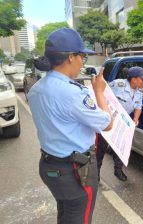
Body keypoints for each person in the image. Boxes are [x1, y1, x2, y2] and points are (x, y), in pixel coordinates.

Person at [28, 28, 113, 224]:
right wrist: (99, 92)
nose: (83, 61)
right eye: (82, 56)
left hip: (50, 166)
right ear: (70, 57)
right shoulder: (72, 93)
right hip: (75, 171)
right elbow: (107, 124)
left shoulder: (37, 89)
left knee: (66, 214)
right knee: (78, 217)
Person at [96, 66, 143, 181]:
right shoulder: (117, 84)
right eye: (142, 79)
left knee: (121, 146)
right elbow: (101, 93)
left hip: (122, 123)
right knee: (101, 148)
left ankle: (118, 170)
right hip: (108, 121)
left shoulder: (139, 91)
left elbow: (138, 106)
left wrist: (136, 118)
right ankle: (96, 172)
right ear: (134, 79)